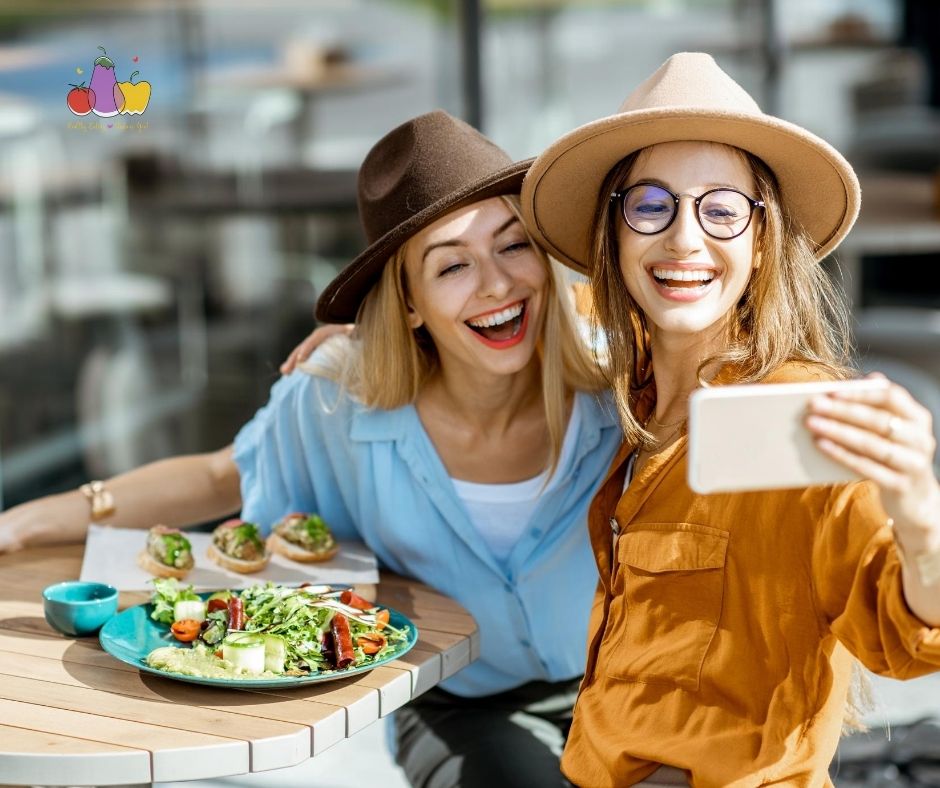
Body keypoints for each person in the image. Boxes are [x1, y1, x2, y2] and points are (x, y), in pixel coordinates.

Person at [0, 111, 623, 786]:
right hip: (464, 708)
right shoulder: (334, 403)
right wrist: (41, 515)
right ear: (408, 302)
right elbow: (220, 477)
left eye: (513, 245)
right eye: (452, 266)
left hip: (633, 686)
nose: (498, 285)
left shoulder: (624, 390)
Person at [520, 53, 940, 787]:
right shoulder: (632, 383)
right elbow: (509, 323)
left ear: (761, 240)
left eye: (720, 208)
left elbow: (909, 639)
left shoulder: (799, 420)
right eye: (650, 205)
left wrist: (921, 515)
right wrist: (367, 333)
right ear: (614, 238)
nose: (684, 238)